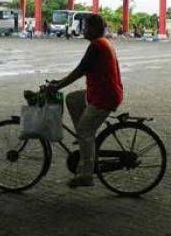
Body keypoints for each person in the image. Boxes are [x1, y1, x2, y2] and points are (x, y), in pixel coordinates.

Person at [48, 14, 123, 188]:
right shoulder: (101, 43)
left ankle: (85, 175)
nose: (83, 30)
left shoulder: (97, 46)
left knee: (85, 132)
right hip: (101, 92)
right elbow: (80, 70)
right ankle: (84, 136)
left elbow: (79, 71)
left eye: (87, 27)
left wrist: (57, 86)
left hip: (104, 96)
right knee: (73, 99)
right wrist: (59, 83)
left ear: (96, 29)